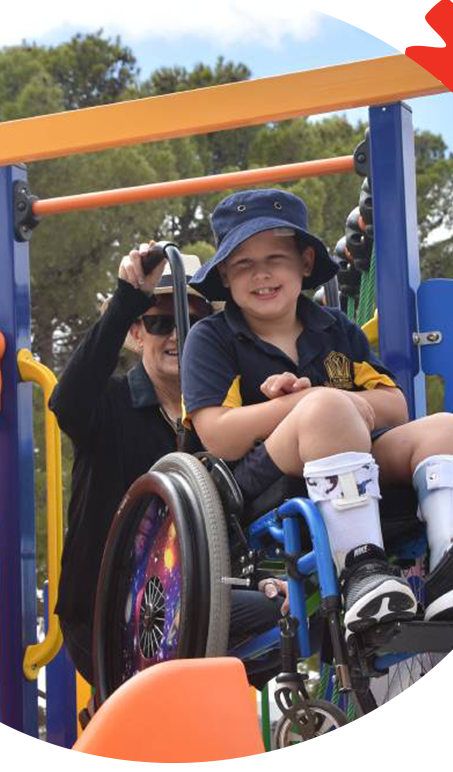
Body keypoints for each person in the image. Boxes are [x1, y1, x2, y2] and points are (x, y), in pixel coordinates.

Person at [181, 189, 453, 638]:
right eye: (243, 263)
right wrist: (303, 404)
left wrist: (331, 402)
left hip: (352, 456)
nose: (261, 273)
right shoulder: (212, 338)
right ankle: (361, 566)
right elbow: (218, 436)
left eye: (275, 259)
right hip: (262, 480)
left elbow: (394, 405)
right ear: (224, 275)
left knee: (444, 428)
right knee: (327, 407)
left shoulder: (334, 328)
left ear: (305, 262)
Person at [49, 246, 289, 690]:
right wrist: (126, 299)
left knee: (294, 612)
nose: (178, 335)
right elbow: (67, 402)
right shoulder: (110, 405)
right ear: (137, 332)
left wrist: (265, 578)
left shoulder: (221, 420)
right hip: (109, 613)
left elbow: (240, 505)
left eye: (193, 325)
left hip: (191, 594)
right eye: (161, 323)